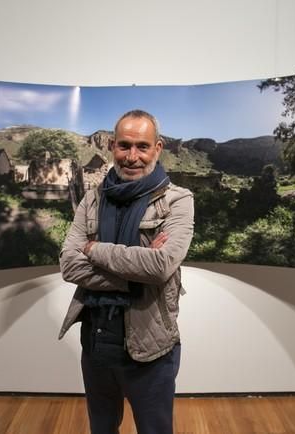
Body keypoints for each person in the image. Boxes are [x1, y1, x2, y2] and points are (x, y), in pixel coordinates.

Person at [58, 109, 194, 434]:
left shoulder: (178, 201)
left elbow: (160, 267)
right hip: (95, 343)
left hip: (150, 349)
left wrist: (94, 249)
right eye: (124, 145)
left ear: (157, 148)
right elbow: (69, 265)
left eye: (142, 146)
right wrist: (136, 268)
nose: (132, 156)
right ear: (111, 146)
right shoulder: (91, 200)